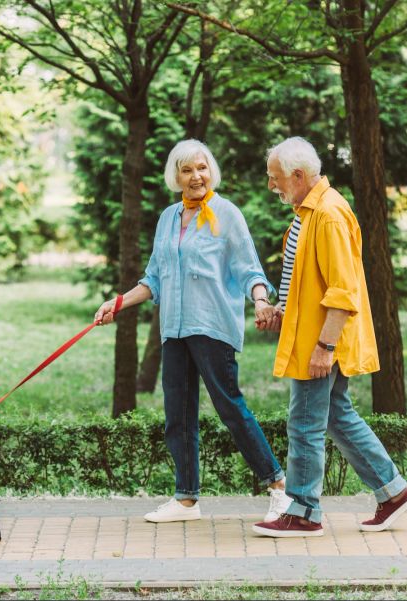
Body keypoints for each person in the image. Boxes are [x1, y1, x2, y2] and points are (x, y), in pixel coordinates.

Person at [95, 139, 290, 523]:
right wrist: (116, 303)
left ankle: (278, 486)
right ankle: (186, 499)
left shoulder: (226, 214)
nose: (196, 176)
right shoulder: (168, 218)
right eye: (187, 170)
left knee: (229, 407)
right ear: (177, 176)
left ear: (210, 171)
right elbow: (154, 279)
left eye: (201, 168)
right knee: (177, 414)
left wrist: (261, 301)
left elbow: (249, 269)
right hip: (175, 329)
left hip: (212, 325)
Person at [251, 137, 407, 538]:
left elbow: (342, 292)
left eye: (275, 178)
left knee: (305, 424)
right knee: (336, 415)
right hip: (312, 334)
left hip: (320, 342)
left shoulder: (327, 215)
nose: (271, 185)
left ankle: (304, 511)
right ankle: (393, 491)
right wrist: (282, 311)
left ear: (298, 175)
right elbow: (308, 282)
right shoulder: (307, 212)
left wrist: (325, 347)